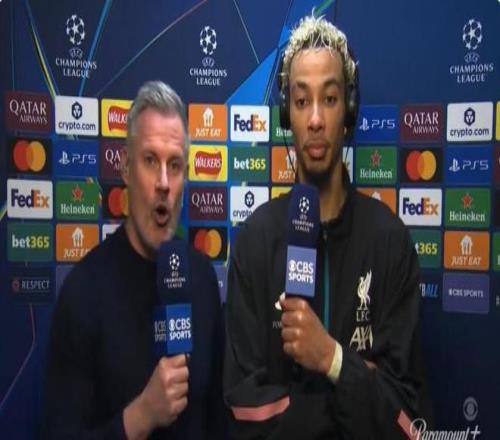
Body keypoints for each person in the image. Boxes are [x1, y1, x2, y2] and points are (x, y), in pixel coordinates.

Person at [224, 14, 431, 439]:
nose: (316, 119)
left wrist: (332, 359)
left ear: (349, 111)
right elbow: (244, 413)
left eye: (330, 99)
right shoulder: (256, 242)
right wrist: (359, 383)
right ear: (287, 115)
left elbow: (409, 421)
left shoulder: (390, 242)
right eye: (302, 101)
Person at [43, 81, 226, 439]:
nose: (163, 182)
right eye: (150, 161)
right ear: (126, 169)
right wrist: (140, 416)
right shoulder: (83, 293)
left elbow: (218, 423)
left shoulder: (202, 279)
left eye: (175, 165)